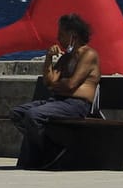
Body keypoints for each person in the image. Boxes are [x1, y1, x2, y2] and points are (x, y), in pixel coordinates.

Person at [9, 13, 101, 169]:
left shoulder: (88, 55)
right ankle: (49, 148)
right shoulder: (65, 58)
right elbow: (48, 81)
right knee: (17, 113)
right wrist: (49, 58)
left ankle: (44, 155)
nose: (58, 39)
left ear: (73, 36)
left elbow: (71, 84)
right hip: (58, 102)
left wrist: (57, 85)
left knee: (34, 115)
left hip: (77, 105)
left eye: (61, 35)